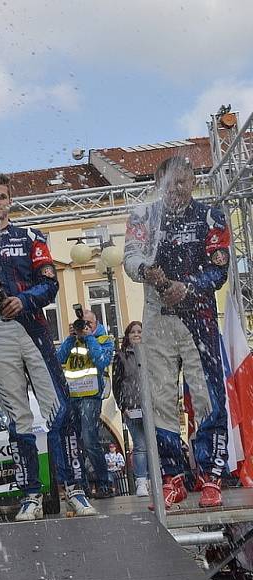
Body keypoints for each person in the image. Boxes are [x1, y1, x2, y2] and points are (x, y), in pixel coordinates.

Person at [0, 174, 97, 521]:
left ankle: (74, 489)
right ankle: (30, 495)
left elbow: (50, 284)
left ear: (10, 201)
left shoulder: (31, 237)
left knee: (58, 410)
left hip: (32, 328)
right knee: (16, 415)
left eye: (1, 197)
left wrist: (23, 300)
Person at [125, 156, 230, 509]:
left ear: (193, 181)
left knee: (206, 396)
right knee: (159, 397)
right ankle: (172, 477)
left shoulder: (210, 216)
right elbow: (130, 257)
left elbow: (219, 272)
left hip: (198, 315)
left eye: (182, 182)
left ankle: (211, 476)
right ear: (159, 185)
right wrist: (146, 271)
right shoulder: (144, 216)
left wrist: (188, 287)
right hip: (157, 316)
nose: (176, 189)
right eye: (169, 183)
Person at [57, 310, 115, 498]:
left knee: (90, 441)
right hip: (72, 397)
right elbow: (58, 360)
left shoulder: (104, 339)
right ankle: (81, 485)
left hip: (91, 396)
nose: (84, 327)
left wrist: (89, 337)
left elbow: (101, 361)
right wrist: (69, 338)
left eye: (88, 324)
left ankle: (104, 483)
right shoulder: (72, 341)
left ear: (95, 323)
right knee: (75, 443)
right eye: (81, 324)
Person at [112, 321, 150, 497]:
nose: (136, 334)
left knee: (153, 444)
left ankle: (153, 478)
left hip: (151, 406)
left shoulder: (150, 353)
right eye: (133, 332)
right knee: (141, 445)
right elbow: (117, 384)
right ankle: (141, 481)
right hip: (132, 407)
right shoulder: (121, 357)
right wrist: (122, 406)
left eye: (140, 331)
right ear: (127, 336)